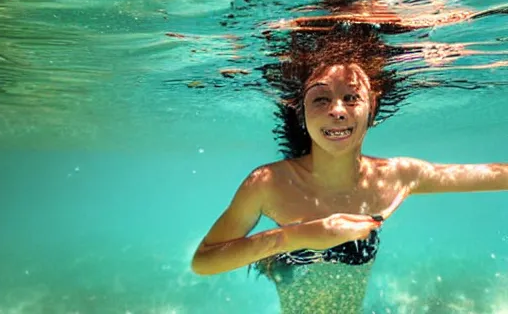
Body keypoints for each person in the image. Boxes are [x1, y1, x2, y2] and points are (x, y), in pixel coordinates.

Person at [191, 25, 508, 313]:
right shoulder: (268, 183)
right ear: (302, 114)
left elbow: (493, 175)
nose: (337, 111)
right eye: (321, 99)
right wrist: (295, 237)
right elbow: (203, 262)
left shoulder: (396, 177)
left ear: (372, 108)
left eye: (351, 97)